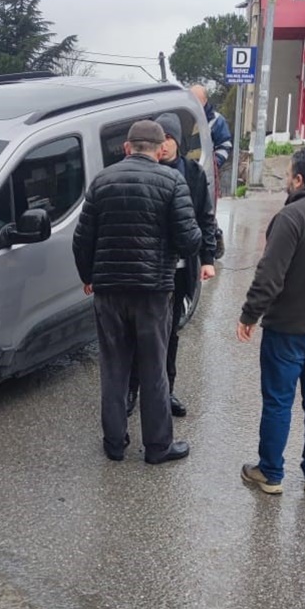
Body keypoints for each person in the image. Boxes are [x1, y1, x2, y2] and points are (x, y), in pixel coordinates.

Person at [73, 119, 202, 465]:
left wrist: (88, 275)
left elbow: (82, 239)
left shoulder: (102, 181)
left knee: (113, 368)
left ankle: (114, 443)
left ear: (127, 147)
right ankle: (158, 447)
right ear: (159, 151)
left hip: (109, 291)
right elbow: (190, 240)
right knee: (154, 369)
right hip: (152, 292)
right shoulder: (172, 181)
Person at [237, 144, 305, 495]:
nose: (288, 180)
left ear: (299, 179)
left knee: (278, 402)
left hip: (288, 328)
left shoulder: (291, 217)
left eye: (289, 175)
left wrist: (250, 314)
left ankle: (271, 473)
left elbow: (270, 275)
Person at [127, 112, 217, 418]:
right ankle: (132, 389)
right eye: (160, 138)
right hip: (146, 268)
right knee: (139, 331)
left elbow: (205, 217)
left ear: (177, 141)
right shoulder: (142, 170)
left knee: (170, 331)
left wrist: (207, 258)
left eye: (168, 138)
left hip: (179, 268)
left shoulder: (192, 173)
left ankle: (166, 390)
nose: (163, 144)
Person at [191, 84, 231, 259]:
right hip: (189, 171)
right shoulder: (186, 117)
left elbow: (225, 145)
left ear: (205, 100)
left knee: (207, 209)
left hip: (207, 173)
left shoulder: (216, 120)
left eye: (197, 99)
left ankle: (215, 236)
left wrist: (214, 163)